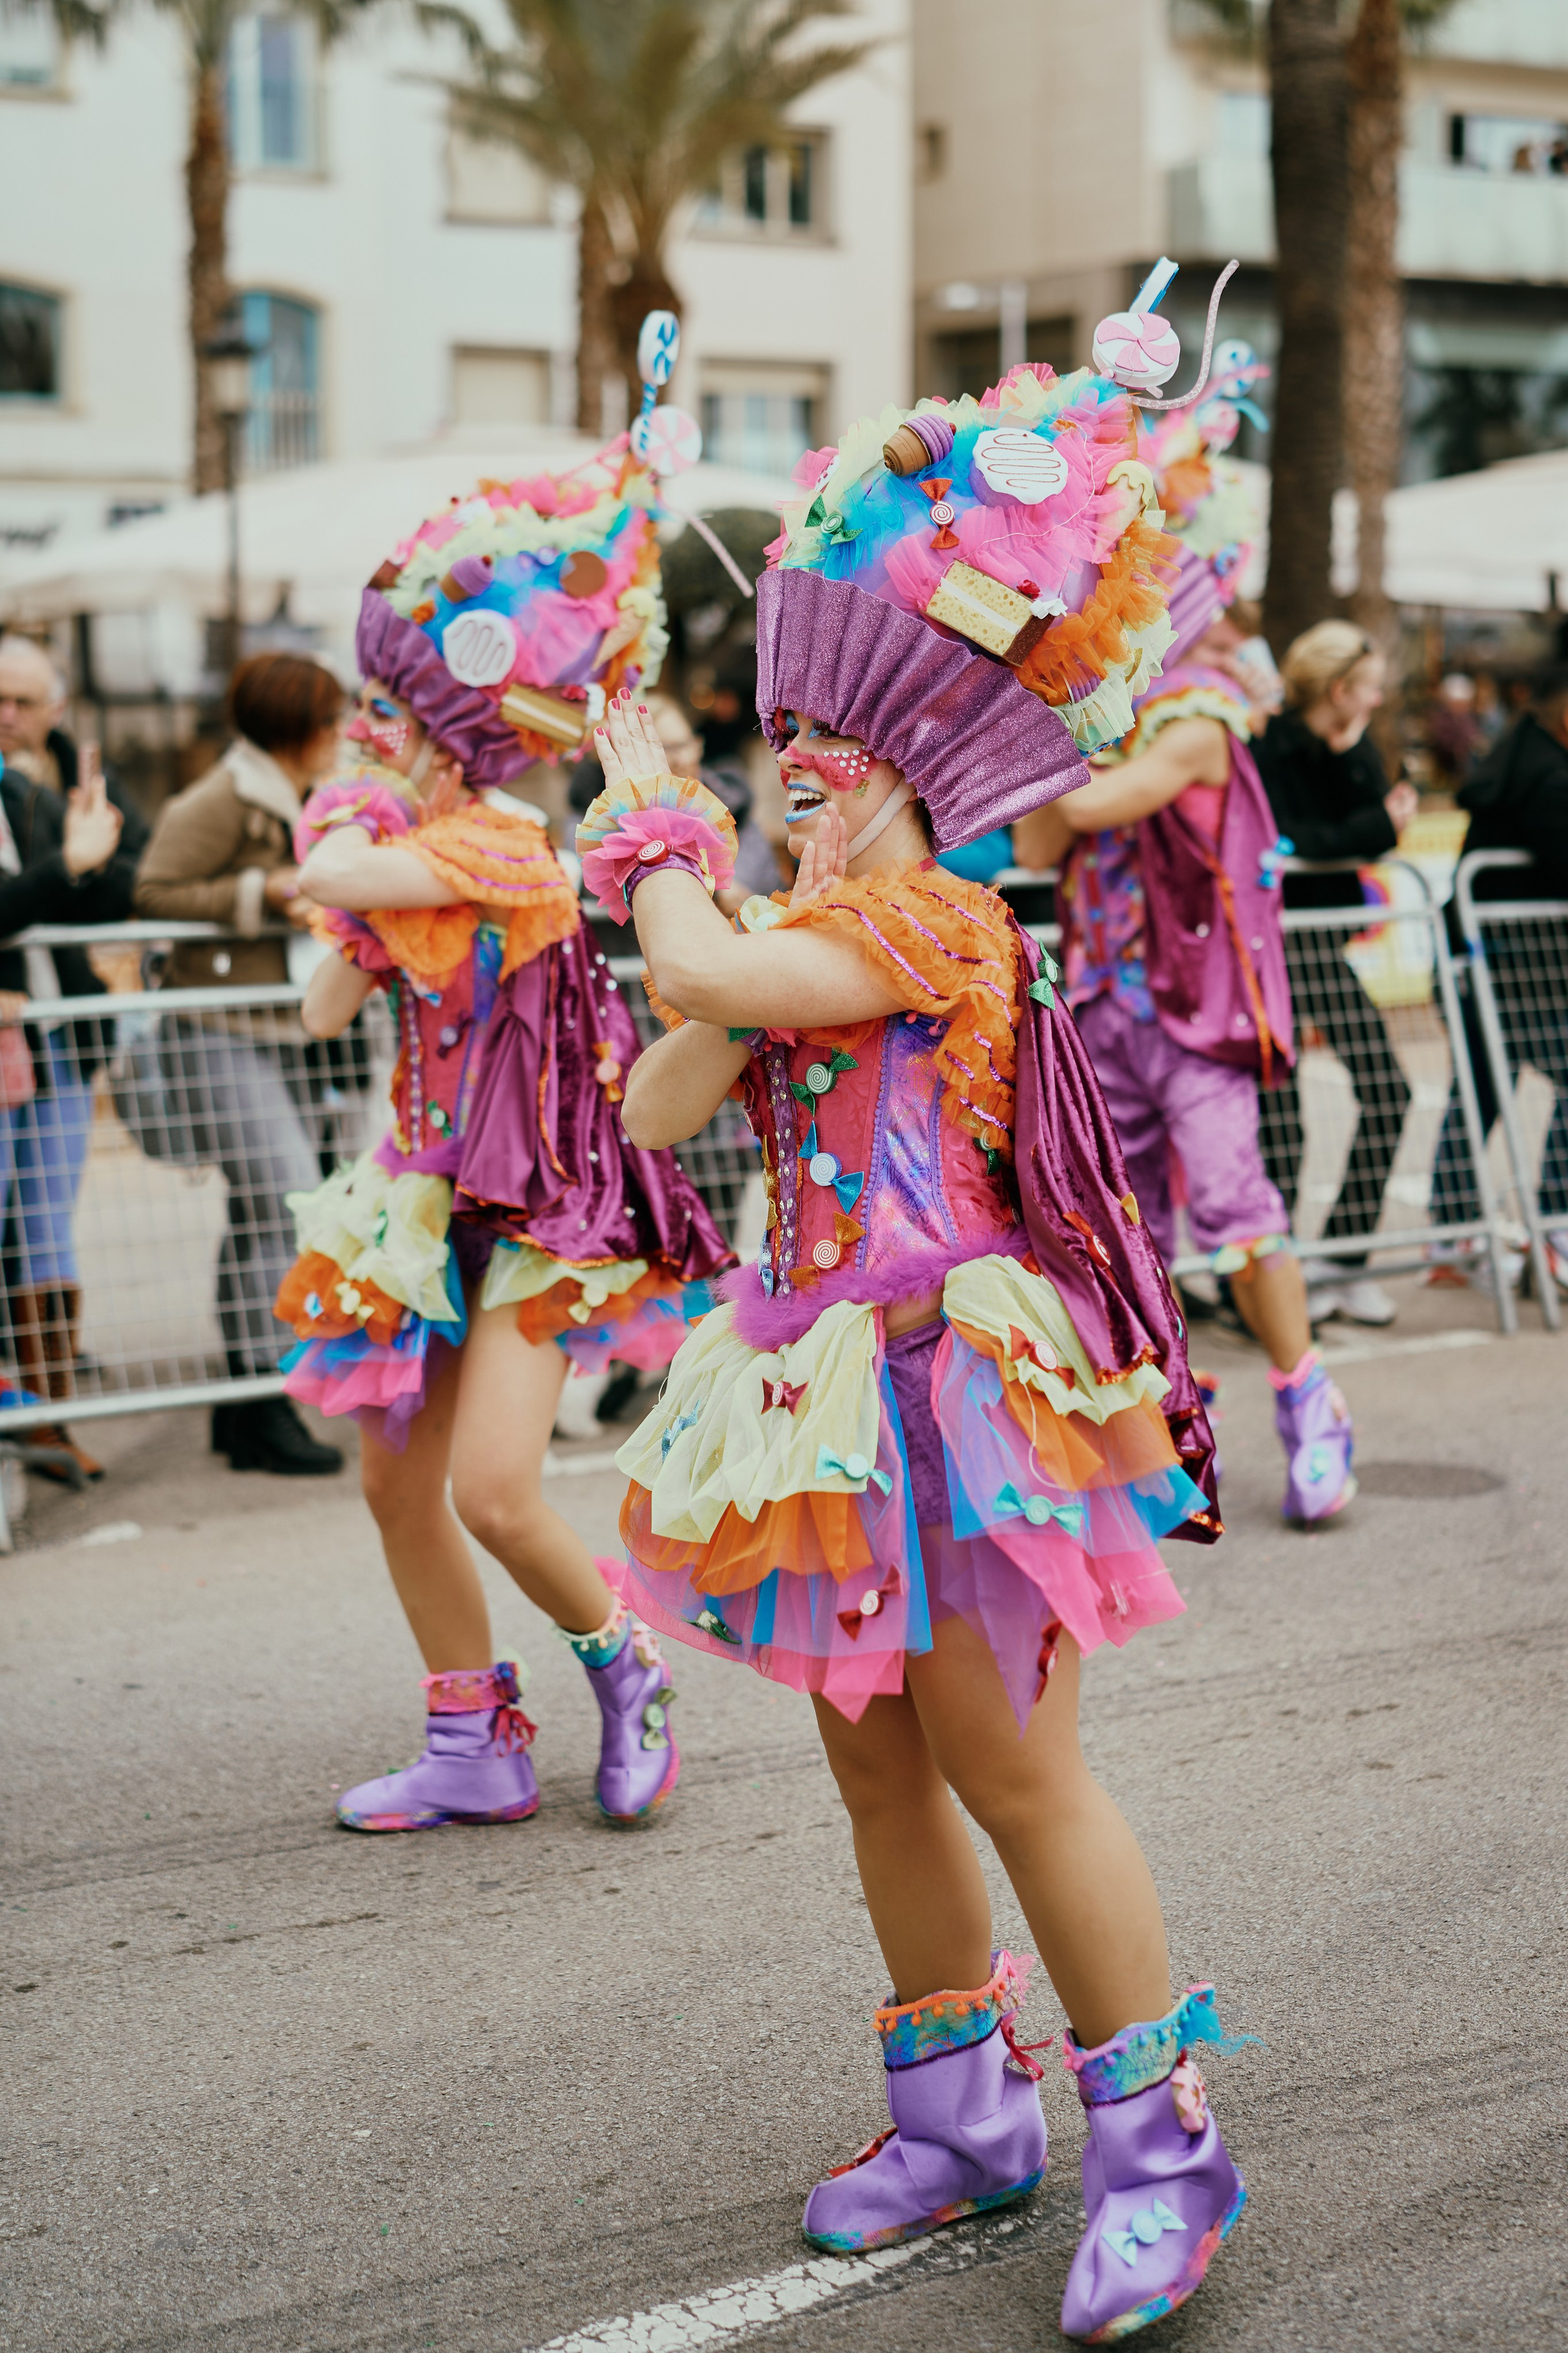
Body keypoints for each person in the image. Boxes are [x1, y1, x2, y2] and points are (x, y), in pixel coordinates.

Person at [584, 363, 1252, 2346]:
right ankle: (962, 2114)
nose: (787, 753)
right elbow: (656, 1093)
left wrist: (654, 831)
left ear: (904, 766)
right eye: (775, 726)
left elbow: (696, 965)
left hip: (945, 1391)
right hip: (809, 1394)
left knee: (1009, 1766)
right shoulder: (820, 922)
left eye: (819, 734)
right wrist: (735, 882)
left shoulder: (945, 923)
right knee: (876, 1766)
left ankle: (1165, 2144)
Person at [283, 452, 732, 1833]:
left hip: (545, 1201)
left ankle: (626, 1665)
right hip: (423, 1196)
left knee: (492, 1489)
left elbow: (330, 872)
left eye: (386, 715)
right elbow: (321, 1007)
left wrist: (345, 829)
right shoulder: (419, 849)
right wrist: (360, 858)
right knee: (393, 1485)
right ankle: (470, 1740)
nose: (368, 734)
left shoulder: (509, 845)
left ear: (445, 729)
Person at [134, 653, 346, 1475]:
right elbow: (154, 891)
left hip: (287, 1026)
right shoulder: (220, 798)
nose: (340, 733)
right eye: (329, 719)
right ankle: (262, 1395)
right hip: (221, 1024)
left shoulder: (305, 793)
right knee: (284, 1194)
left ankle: (247, 1401)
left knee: (264, 1211)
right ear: (301, 727)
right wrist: (263, 890)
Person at [1251, 622, 1420, 1329]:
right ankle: (1276, 1280)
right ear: (1339, 687)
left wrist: (1359, 774)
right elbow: (1290, 843)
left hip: (1323, 945)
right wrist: (1373, 825)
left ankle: (1344, 1260)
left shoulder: (1352, 749)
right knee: (1281, 1115)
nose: (1379, 699)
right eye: (1370, 685)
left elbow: (1379, 817)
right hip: (1275, 944)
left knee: (1389, 1089)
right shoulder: (1270, 747)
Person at [0, 737, 138, 1479]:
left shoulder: (24, 793)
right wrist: (70, 865)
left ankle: (46, 1421)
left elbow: (109, 892)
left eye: (20, 700)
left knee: (47, 1232)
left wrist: (103, 850)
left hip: (55, 1041)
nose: (9, 717)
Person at [1428, 661, 1568, 1285]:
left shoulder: (1522, 755)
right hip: (1512, 967)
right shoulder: (1546, 775)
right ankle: (1555, 1227)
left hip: (1494, 960)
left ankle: (1451, 1231)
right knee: (1486, 1086)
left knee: (1481, 1087)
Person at [0, 635, 151, 863]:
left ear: (57, 710)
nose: (7, 717)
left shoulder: (92, 777)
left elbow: (139, 856)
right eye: (0, 700)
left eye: (24, 703)